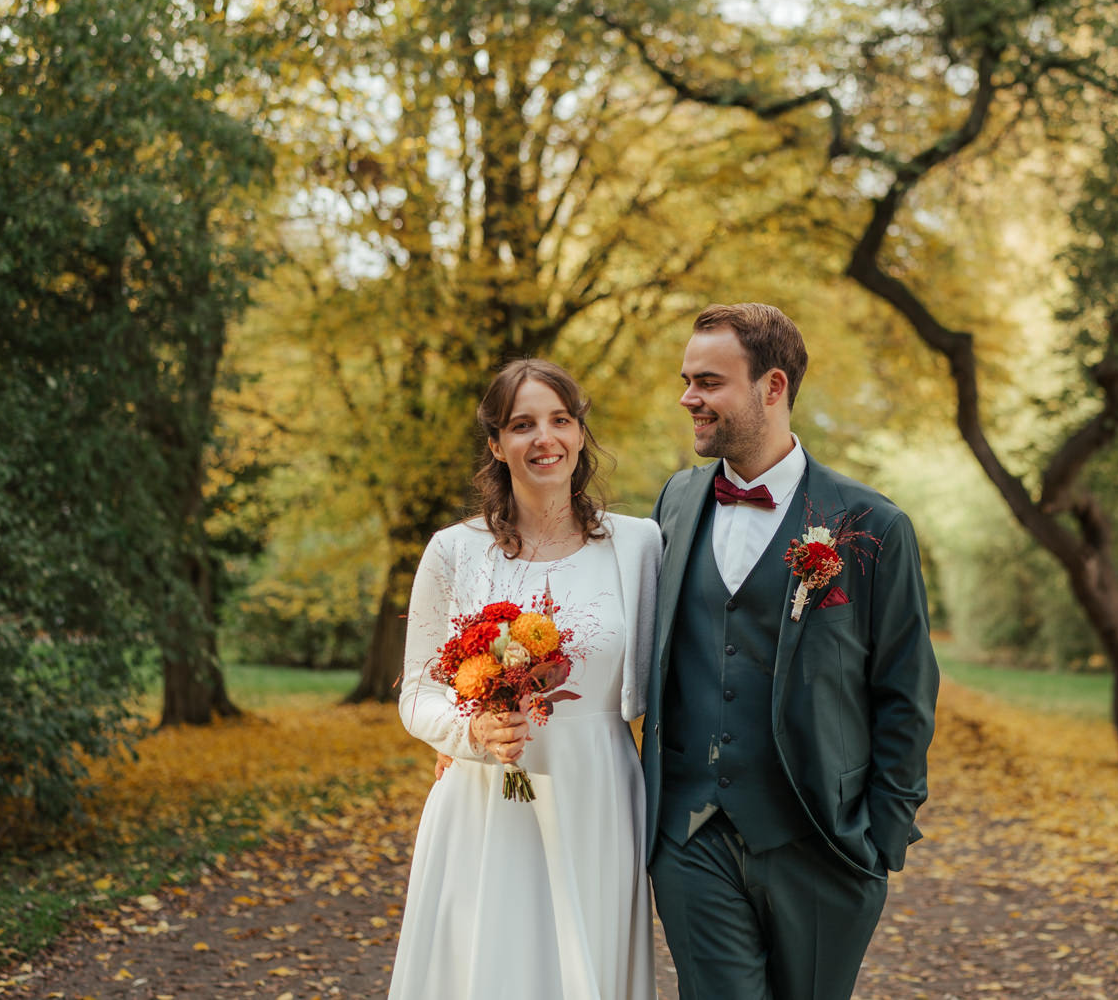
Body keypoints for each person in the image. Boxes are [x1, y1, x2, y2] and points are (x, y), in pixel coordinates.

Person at [642, 302, 939, 1000]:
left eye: (709, 381)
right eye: (687, 379)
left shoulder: (871, 525)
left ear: (772, 387)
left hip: (823, 848)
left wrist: (878, 842)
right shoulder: (676, 502)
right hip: (692, 837)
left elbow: (906, 690)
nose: (689, 397)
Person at [388, 358, 658, 1000]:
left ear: (581, 433)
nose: (545, 439)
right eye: (523, 424)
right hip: (485, 794)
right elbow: (418, 692)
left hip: (598, 787)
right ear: (495, 444)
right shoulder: (454, 551)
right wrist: (468, 730)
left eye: (561, 420)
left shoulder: (639, 545)